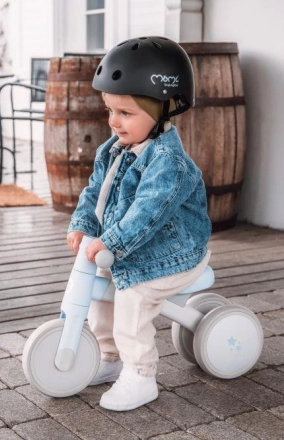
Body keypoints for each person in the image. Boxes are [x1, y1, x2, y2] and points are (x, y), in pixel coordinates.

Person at [66, 36, 212, 411]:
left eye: (126, 113)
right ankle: (110, 358)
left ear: (163, 109)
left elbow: (148, 212)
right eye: (110, 110)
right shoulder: (114, 148)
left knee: (132, 296)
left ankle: (141, 375)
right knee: (99, 287)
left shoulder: (168, 163)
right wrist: (83, 222)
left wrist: (112, 242)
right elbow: (95, 191)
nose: (113, 121)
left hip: (173, 254)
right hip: (131, 247)